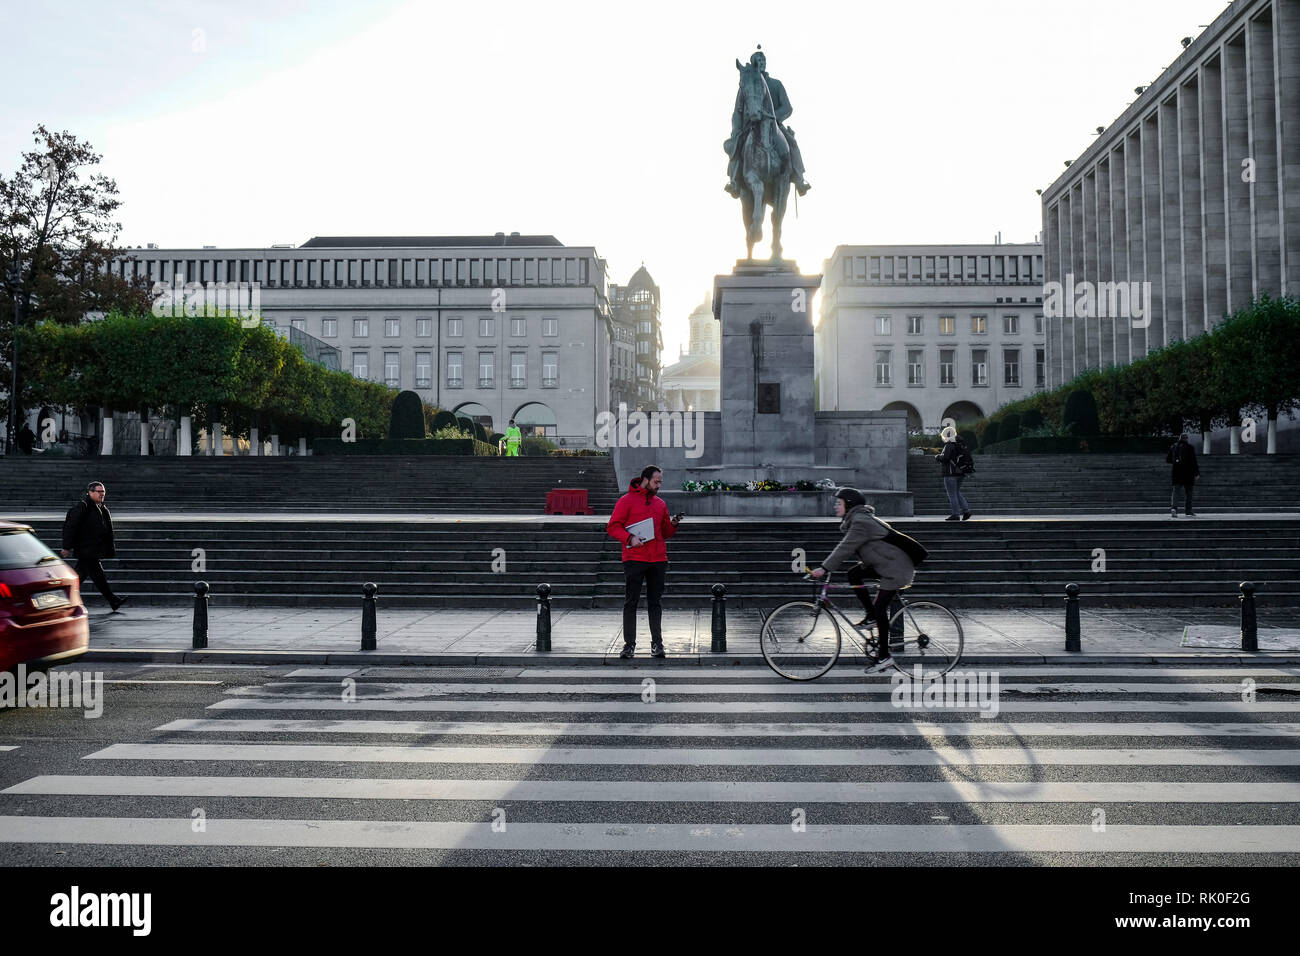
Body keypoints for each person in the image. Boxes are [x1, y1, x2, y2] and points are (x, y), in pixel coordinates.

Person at [810, 487, 916, 673]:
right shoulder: (857, 520)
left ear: (849, 505)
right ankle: (871, 616)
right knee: (853, 574)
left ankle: (884, 656)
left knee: (880, 608)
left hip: (895, 569)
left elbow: (845, 548)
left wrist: (824, 568)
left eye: (839, 503)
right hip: (885, 564)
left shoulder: (860, 522)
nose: (835, 506)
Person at [606, 464, 681, 659]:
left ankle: (657, 644)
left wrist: (672, 525)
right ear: (645, 479)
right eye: (656, 481)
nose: (658, 485)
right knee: (631, 602)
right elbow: (613, 526)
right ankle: (629, 645)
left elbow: (664, 532)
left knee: (655, 603)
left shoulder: (660, 504)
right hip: (634, 558)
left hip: (658, 559)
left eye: (660, 482)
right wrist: (630, 538)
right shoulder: (626, 501)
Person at [724, 48, 812, 197]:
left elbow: (787, 108)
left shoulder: (776, 84)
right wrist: (736, 130)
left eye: (763, 60)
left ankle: (799, 179)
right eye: (758, 61)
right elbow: (737, 111)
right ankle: (734, 182)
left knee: (792, 143)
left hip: (773, 125)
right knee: (737, 148)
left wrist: (772, 117)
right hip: (750, 125)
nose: (761, 63)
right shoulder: (746, 85)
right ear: (753, 64)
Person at [61, 481, 129, 612]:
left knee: (79, 577)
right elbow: (71, 527)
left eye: (103, 491)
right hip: (86, 549)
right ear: (90, 492)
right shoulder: (83, 506)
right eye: (98, 491)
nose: (102, 494)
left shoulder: (101, 508)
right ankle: (113, 600)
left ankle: (64, 599)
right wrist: (67, 547)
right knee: (99, 576)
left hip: (93, 549)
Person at [935, 426, 972, 521]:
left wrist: (938, 457)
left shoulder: (949, 445)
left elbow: (946, 458)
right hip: (961, 473)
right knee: (956, 492)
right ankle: (966, 511)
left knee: (952, 494)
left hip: (950, 473)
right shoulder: (959, 444)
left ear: (945, 435)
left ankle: (956, 514)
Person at [1167, 432, 1200, 517]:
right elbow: (1194, 461)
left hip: (1176, 473)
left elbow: (1168, 460)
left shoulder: (1173, 447)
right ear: (1186, 439)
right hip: (1188, 473)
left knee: (1176, 492)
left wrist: (1176, 463)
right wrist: (1196, 473)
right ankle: (1188, 510)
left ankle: (1174, 508)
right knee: (1189, 493)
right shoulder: (1190, 448)